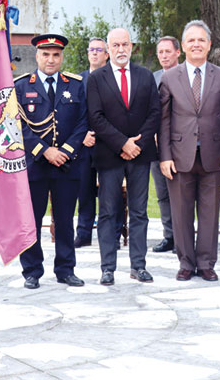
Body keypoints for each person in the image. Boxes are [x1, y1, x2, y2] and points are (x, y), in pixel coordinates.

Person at [159, 20, 220, 282]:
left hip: (213, 157)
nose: (196, 44)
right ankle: (185, 262)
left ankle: (206, 263)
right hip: (179, 158)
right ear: (183, 46)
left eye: (201, 40)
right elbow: (164, 121)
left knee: (209, 214)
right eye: (191, 40)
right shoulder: (169, 77)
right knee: (180, 214)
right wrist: (165, 157)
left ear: (209, 45)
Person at [87, 28, 160, 285]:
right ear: (108, 49)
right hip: (109, 154)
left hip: (140, 154)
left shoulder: (145, 75)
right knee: (108, 211)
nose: (121, 49)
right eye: (115, 45)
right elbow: (95, 116)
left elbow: (155, 112)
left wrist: (136, 143)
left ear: (132, 47)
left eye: (125, 44)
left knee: (139, 212)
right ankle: (108, 267)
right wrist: (122, 144)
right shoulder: (97, 78)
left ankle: (138, 266)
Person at [15, 34, 88, 290]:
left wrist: (65, 151)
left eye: (56, 54)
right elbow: (17, 125)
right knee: (31, 220)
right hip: (35, 164)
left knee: (65, 220)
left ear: (62, 57)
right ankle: (32, 271)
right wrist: (45, 150)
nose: (51, 59)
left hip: (67, 164)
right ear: (37, 56)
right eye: (45, 54)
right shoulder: (21, 86)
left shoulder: (76, 85)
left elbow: (83, 123)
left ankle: (66, 269)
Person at [74, 37, 109, 248]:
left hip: (108, 145)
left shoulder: (113, 79)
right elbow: (73, 113)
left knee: (109, 193)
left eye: (99, 50)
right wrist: (82, 136)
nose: (95, 53)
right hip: (84, 145)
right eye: (92, 49)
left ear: (106, 55)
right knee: (84, 191)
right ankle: (84, 233)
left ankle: (111, 234)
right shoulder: (77, 81)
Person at [150, 35, 181, 253]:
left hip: (181, 145)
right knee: (162, 193)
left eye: (167, 51)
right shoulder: (153, 78)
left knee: (182, 194)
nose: (163, 56)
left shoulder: (186, 76)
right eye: (160, 52)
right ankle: (168, 235)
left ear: (178, 53)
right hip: (156, 145)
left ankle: (183, 237)